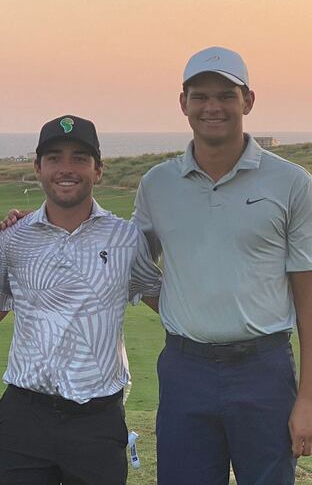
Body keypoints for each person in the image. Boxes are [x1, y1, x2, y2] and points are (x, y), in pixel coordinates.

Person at [133, 46, 312, 484]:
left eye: (225, 95)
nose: (212, 106)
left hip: (264, 370)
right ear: (184, 103)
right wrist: (183, 304)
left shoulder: (291, 183)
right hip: (184, 369)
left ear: (247, 101)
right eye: (200, 96)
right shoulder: (157, 184)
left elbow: (308, 299)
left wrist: (307, 398)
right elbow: (137, 266)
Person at [0, 115, 161, 484]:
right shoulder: (12, 239)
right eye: (54, 158)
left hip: (97, 421)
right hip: (25, 416)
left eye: (79, 158)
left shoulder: (126, 239)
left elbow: (163, 301)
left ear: (98, 170)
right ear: (38, 169)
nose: (66, 168)